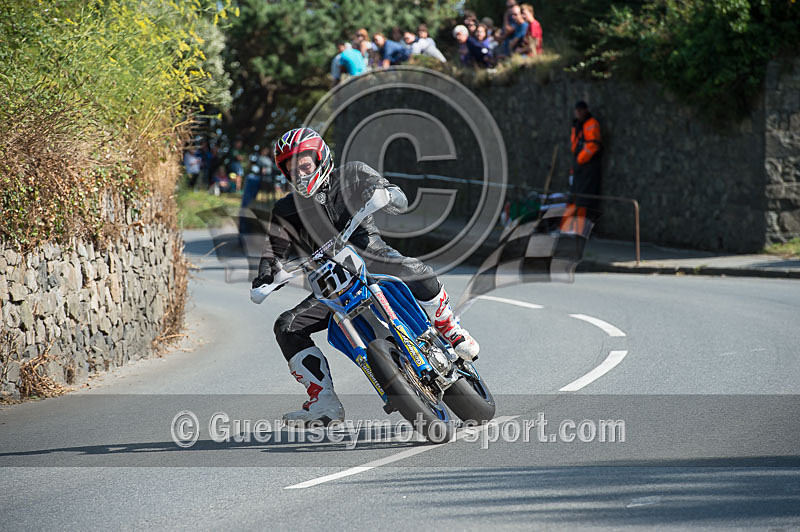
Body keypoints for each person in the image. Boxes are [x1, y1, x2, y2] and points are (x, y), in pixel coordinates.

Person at [252, 128, 480, 423]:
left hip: (375, 260)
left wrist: (385, 195)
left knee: (413, 269)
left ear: (321, 158)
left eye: (305, 165)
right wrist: (266, 276)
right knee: (287, 326)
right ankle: (323, 401)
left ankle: (450, 329)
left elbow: (398, 197)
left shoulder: (354, 174)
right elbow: (273, 251)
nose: (301, 174)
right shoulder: (285, 210)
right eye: (292, 169)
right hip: (334, 287)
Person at [563, 101, 603, 234]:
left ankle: (579, 230)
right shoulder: (577, 125)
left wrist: (580, 160)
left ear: (585, 110)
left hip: (588, 166)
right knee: (573, 198)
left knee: (583, 200)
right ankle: (568, 227)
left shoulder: (591, 124)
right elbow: (575, 146)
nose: (578, 113)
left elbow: (593, 145)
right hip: (579, 166)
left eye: (581, 110)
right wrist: (575, 166)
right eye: (577, 110)